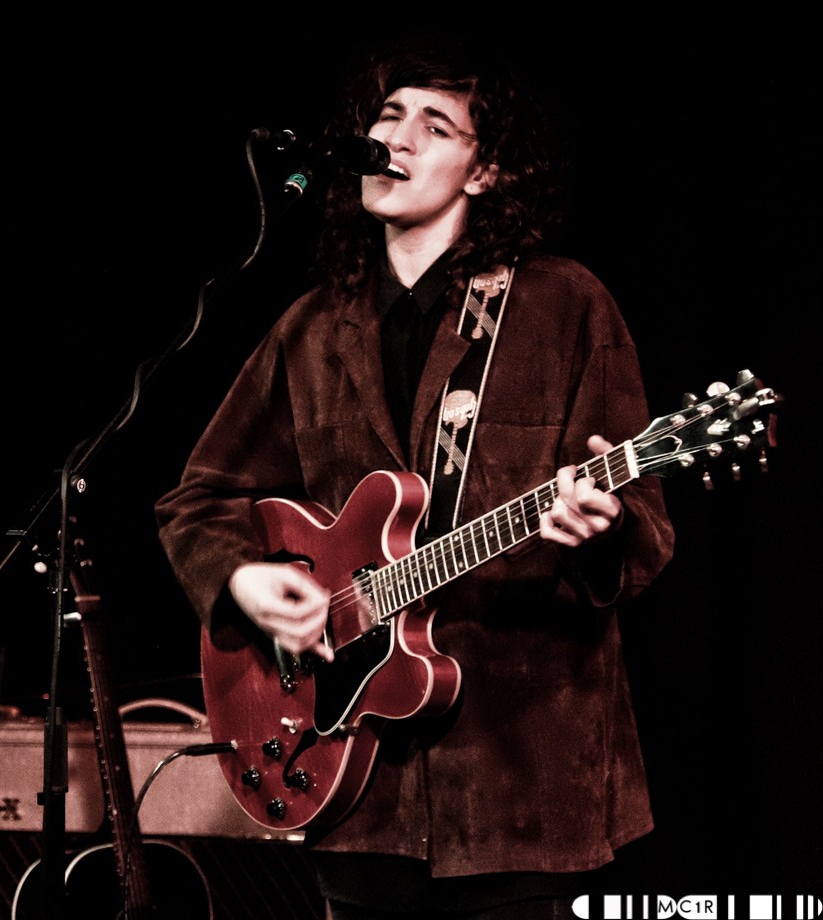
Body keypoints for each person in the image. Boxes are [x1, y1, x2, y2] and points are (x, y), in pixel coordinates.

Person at [155, 32, 675, 920]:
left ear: (487, 171)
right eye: (387, 115)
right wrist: (244, 579)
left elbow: (647, 533)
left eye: (434, 126)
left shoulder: (564, 306)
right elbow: (195, 500)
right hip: (357, 792)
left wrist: (604, 530)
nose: (393, 138)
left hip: (523, 790)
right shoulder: (313, 327)